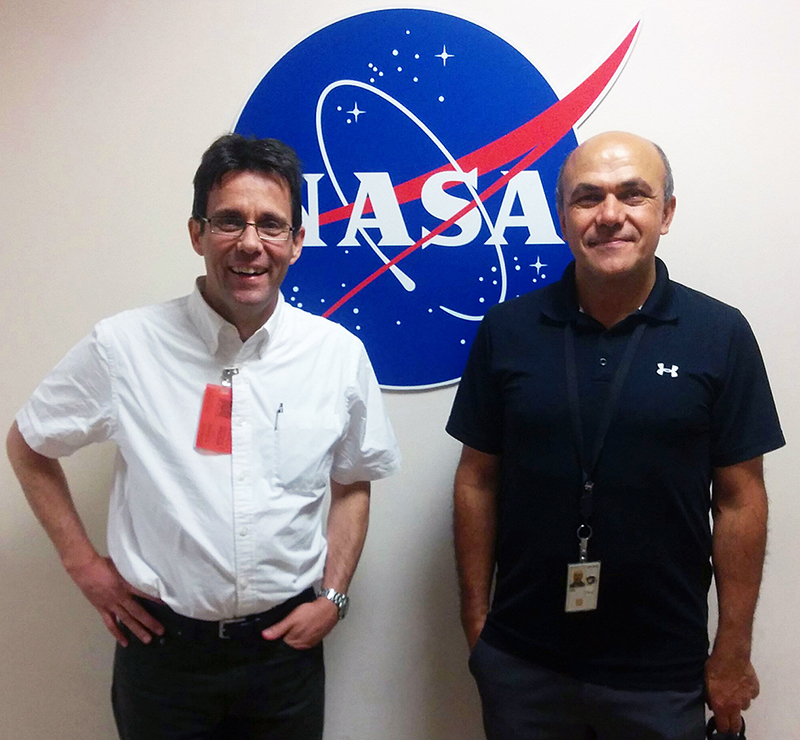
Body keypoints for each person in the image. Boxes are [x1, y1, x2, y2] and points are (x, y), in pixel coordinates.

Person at [6, 134, 400, 740]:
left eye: (271, 225)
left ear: (297, 241)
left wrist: (334, 596)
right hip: (164, 656)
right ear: (197, 234)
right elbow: (29, 444)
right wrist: (83, 564)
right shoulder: (124, 347)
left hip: (283, 657)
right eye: (229, 221)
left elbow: (353, 482)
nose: (250, 244)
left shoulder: (337, 356)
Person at [447, 131, 783, 740]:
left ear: (667, 213)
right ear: (561, 215)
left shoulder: (720, 334)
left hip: (663, 673)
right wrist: (478, 626)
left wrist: (731, 649)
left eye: (633, 195)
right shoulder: (508, 330)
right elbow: (477, 479)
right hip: (524, 665)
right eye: (587, 197)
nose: (610, 216)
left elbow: (740, 501)